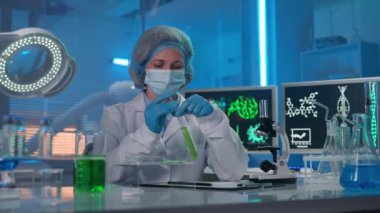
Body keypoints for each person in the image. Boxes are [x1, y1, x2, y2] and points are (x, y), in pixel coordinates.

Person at [100, 25, 248, 185]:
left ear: (186, 72)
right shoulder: (116, 116)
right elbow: (105, 175)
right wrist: (147, 133)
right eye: (158, 65)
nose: (168, 72)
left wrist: (213, 121)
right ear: (142, 68)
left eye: (176, 67)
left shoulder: (201, 118)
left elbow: (233, 173)